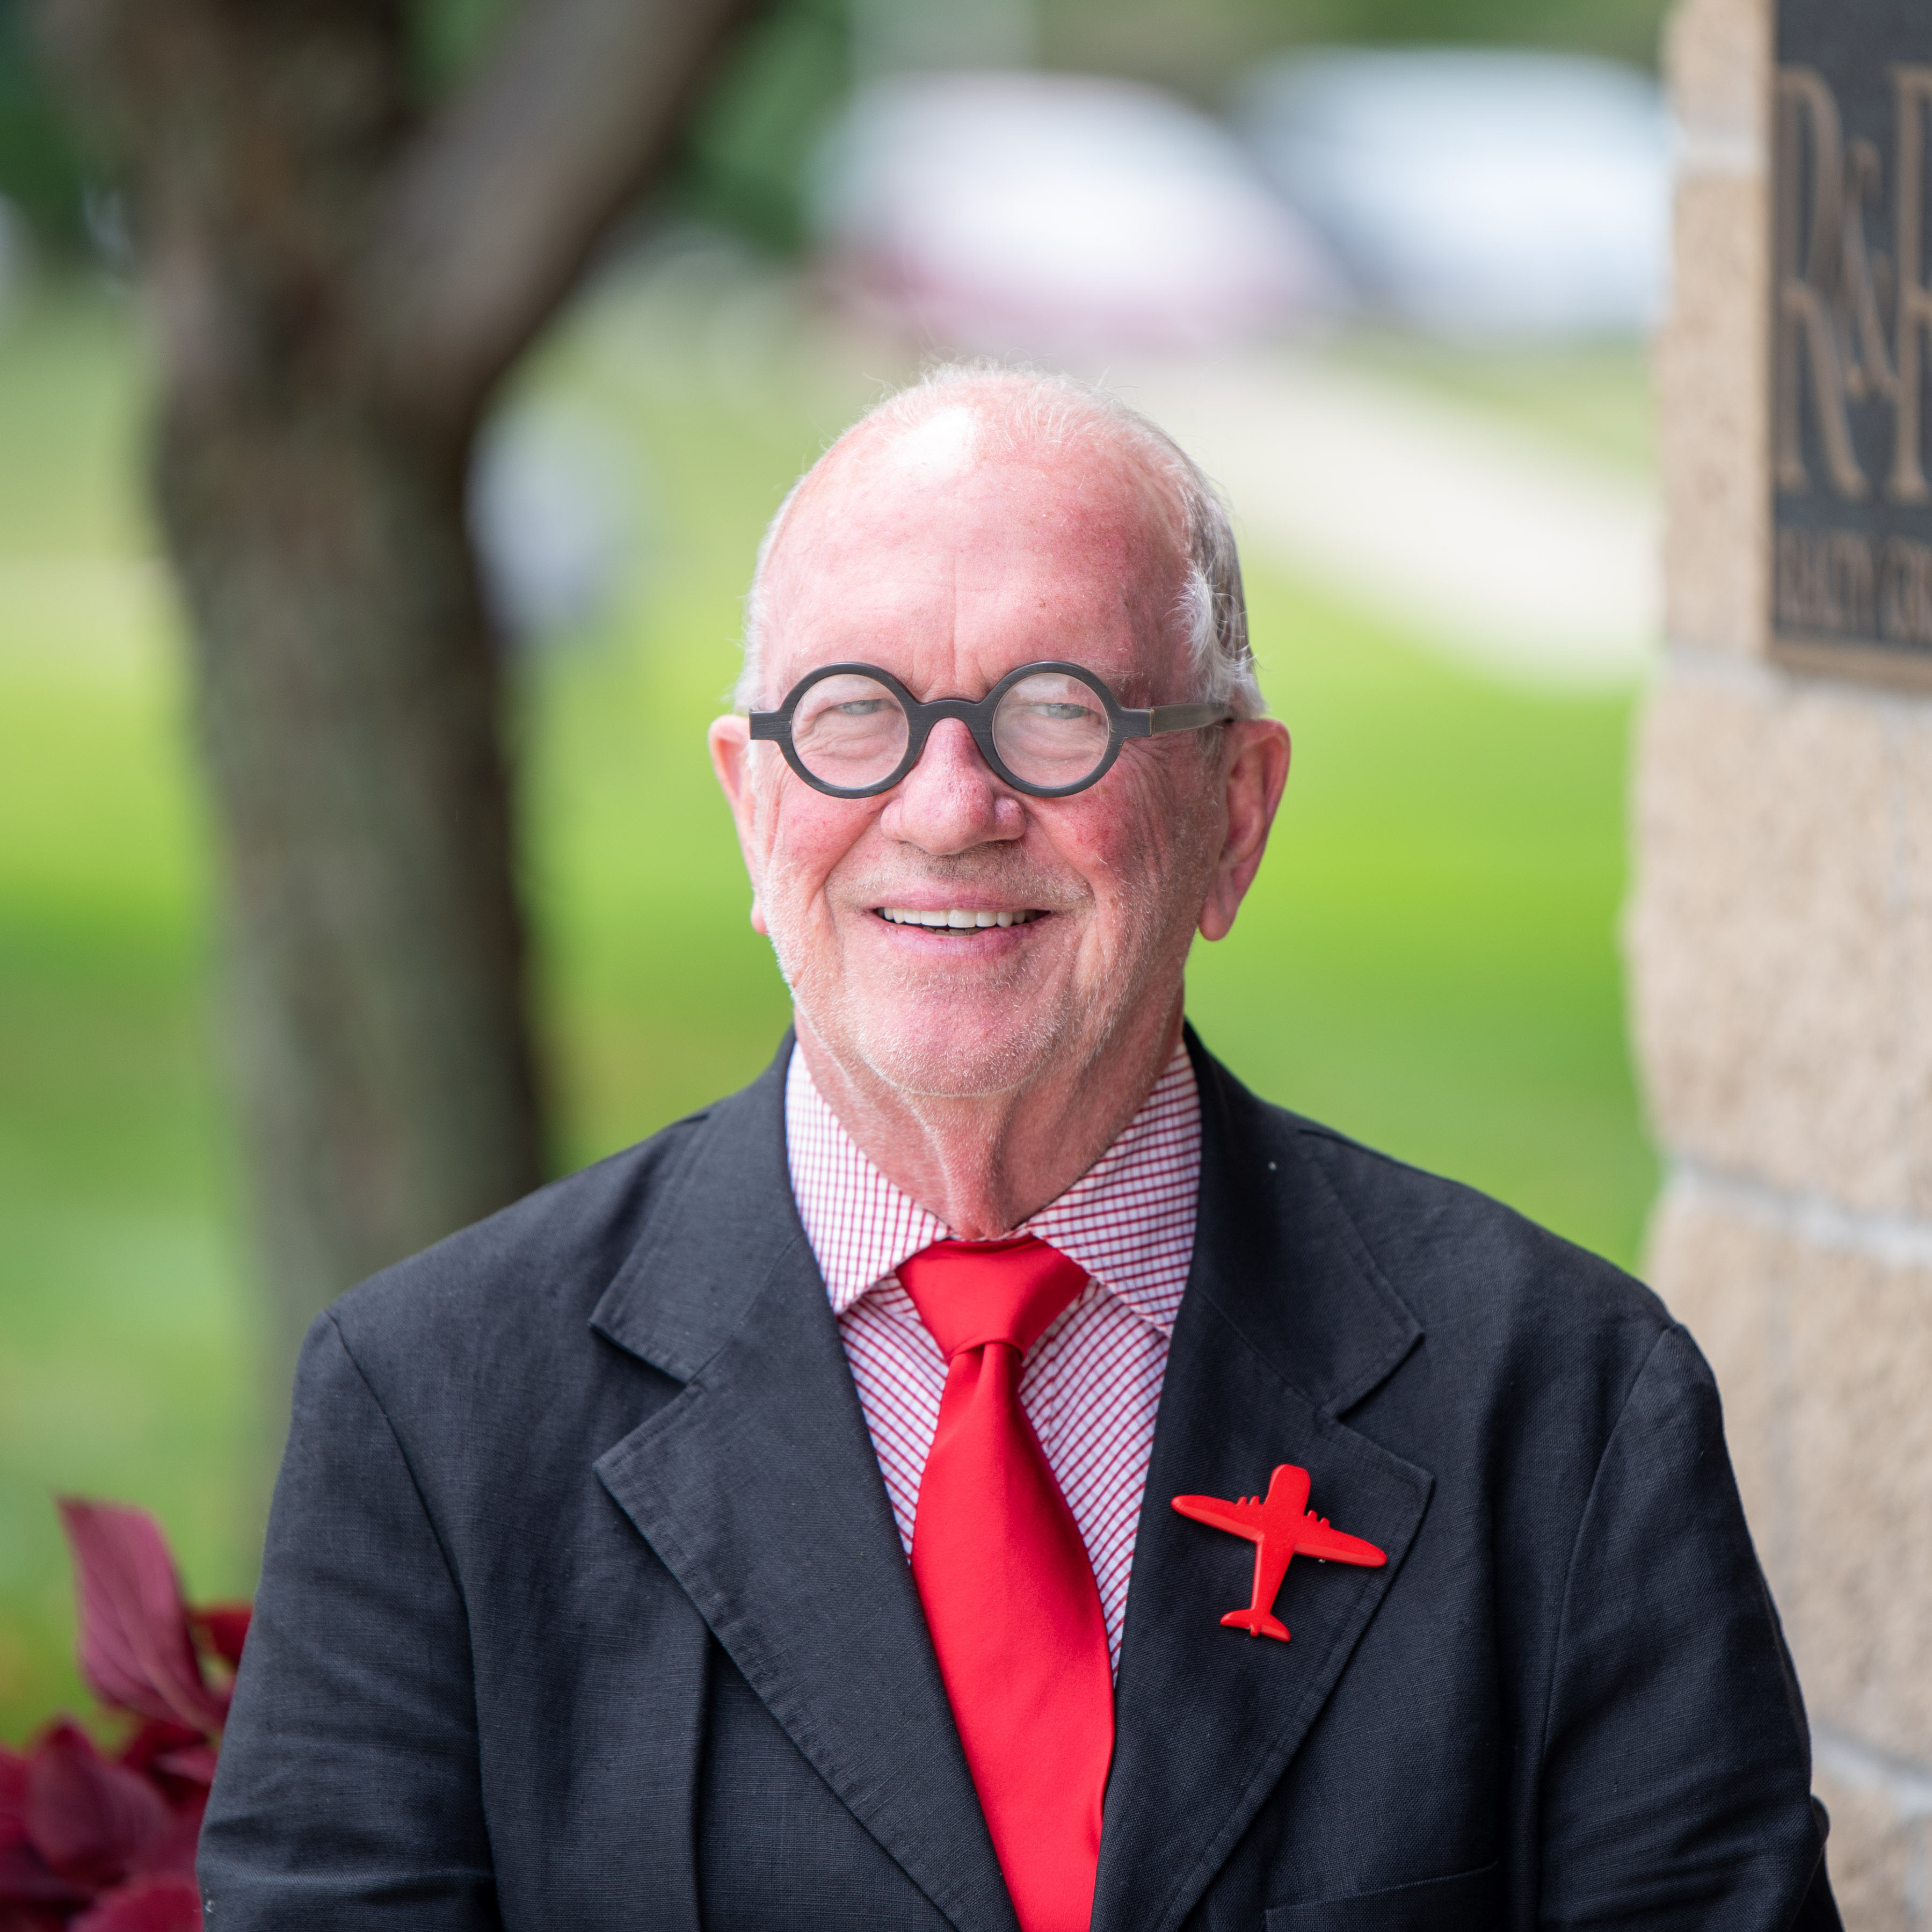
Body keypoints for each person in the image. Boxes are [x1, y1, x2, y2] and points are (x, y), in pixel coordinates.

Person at [200, 366, 1839, 1931]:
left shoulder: (1559, 1406)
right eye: (856, 715)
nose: (949, 802)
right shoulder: (434, 1414)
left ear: (1236, 811)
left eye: (1058, 713)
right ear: (753, 808)